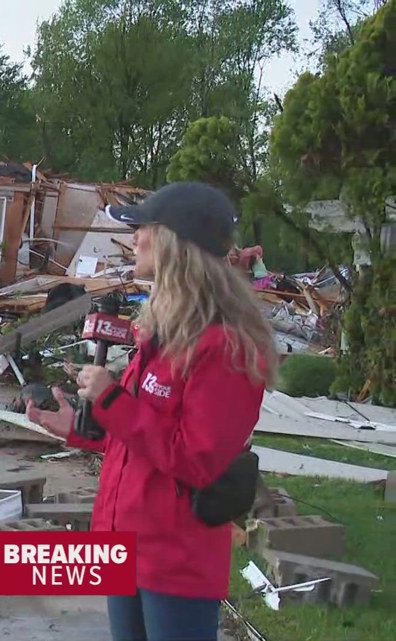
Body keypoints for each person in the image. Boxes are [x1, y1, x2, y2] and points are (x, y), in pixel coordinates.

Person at [28, 182, 278, 641]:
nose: (135, 238)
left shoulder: (226, 348)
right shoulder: (164, 334)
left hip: (175, 562)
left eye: (143, 227)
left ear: (173, 244)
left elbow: (197, 459)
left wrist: (110, 401)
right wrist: (80, 429)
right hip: (125, 548)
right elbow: (141, 439)